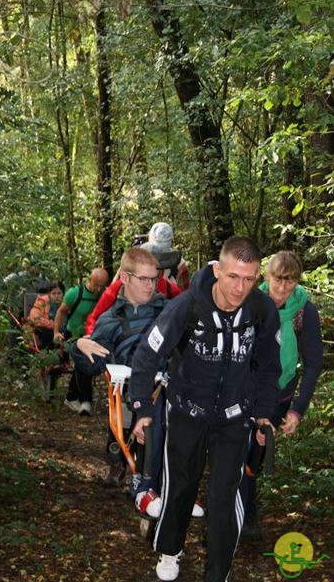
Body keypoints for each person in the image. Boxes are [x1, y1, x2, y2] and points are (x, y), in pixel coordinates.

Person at [129, 235, 281, 582]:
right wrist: (141, 407)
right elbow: (147, 355)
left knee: (224, 497)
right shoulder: (187, 306)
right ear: (217, 270)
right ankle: (170, 549)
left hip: (234, 418)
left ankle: (218, 573)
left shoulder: (262, 310)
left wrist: (263, 414)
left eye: (249, 278)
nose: (240, 287)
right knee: (180, 484)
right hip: (186, 410)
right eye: (232, 276)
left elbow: (269, 368)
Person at [69, 247, 167, 511]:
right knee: (125, 426)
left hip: (169, 393)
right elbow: (94, 363)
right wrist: (79, 348)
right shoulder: (110, 319)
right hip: (129, 394)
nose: (150, 286)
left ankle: (153, 490)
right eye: (143, 279)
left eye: (154, 279)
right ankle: (126, 472)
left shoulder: (170, 312)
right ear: (124, 278)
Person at [241, 250, 324, 542]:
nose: (283, 288)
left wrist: (298, 409)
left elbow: (314, 362)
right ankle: (229, 518)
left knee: (256, 451)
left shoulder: (304, 310)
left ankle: (246, 514)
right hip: (244, 389)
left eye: (290, 282)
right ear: (267, 276)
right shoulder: (251, 302)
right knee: (234, 450)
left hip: (279, 394)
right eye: (278, 279)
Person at [53, 267, 108, 416]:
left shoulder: (103, 295)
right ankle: (85, 401)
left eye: (101, 286)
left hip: (92, 336)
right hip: (73, 335)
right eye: (96, 284)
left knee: (84, 364)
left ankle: (72, 397)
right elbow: (61, 311)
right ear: (89, 280)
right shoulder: (74, 293)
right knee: (84, 360)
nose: (98, 289)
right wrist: (56, 331)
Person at [25, 280, 68, 398]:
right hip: (42, 331)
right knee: (49, 333)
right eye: (53, 293)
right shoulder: (42, 302)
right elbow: (35, 318)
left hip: (59, 333)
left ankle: (60, 362)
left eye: (59, 293)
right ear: (49, 294)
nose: (56, 296)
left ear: (63, 294)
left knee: (65, 335)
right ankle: (50, 362)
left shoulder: (66, 304)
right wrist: (54, 325)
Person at [147, 222, 190, 291]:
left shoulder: (138, 261)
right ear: (171, 241)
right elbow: (184, 297)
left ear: (149, 238)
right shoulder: (180, 265)